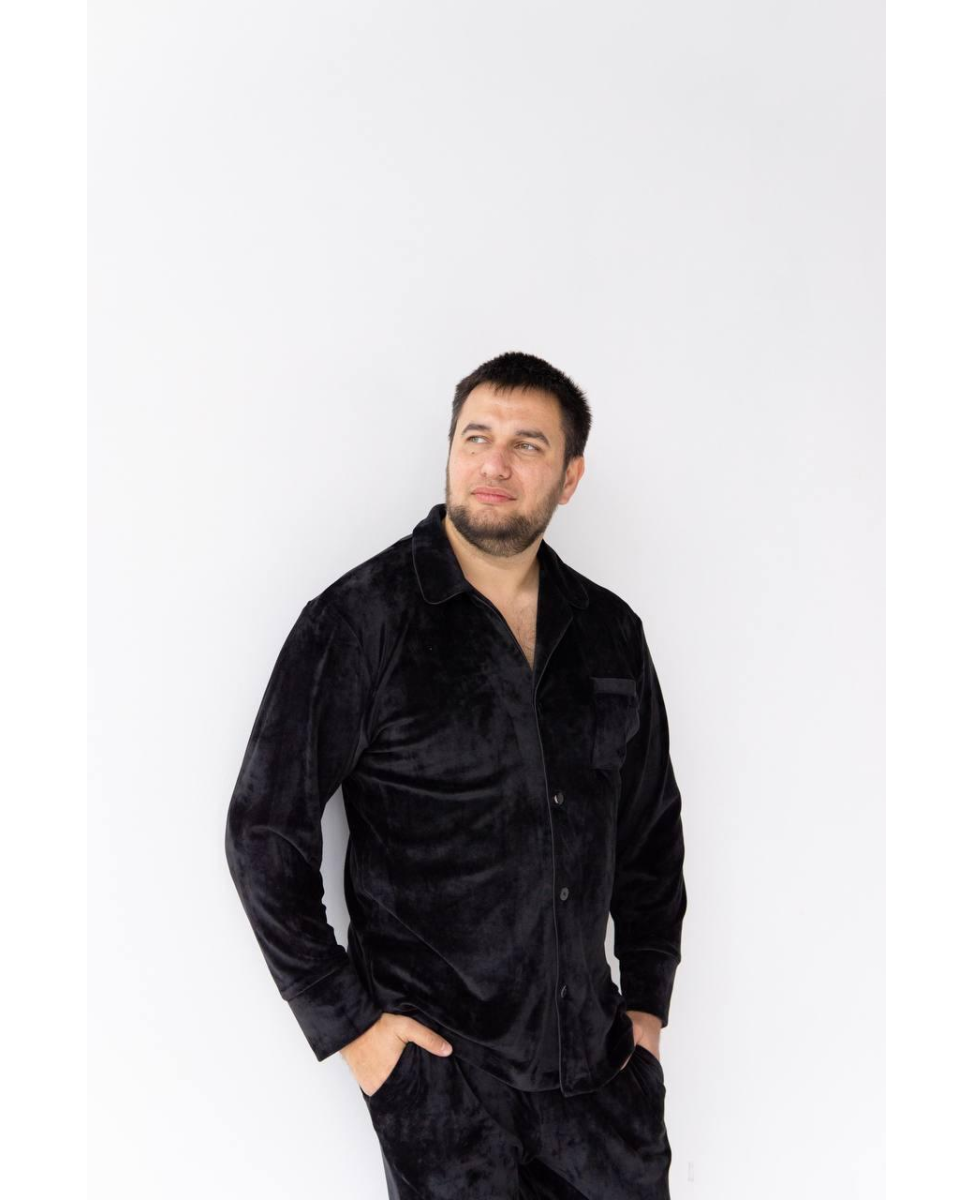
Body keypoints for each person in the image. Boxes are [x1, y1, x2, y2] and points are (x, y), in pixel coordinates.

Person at [225, 350, 688, 1197]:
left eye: (527, 444)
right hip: (444, 1093)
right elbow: (264, 832)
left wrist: (647, 1012)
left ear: (570, 476)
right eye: (476, 437)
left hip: (602, 1084)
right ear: (450, 452)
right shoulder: (361, 621)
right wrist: (357, 1035)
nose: (495, 464)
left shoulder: (611, 632)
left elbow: (650, 833)